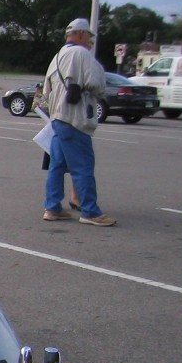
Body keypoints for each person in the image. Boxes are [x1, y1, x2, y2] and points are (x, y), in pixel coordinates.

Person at [40, 18, 116, 226]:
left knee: (57, 164)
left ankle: (52, 207)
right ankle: (91, 211)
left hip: (57, 117)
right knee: (83, 165)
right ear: (81, 34)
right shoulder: (82, 54)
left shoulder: (57, 56)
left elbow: (46, 90)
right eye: (89, 37)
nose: (90, 42)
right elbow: (96, 84)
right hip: (74, 118)